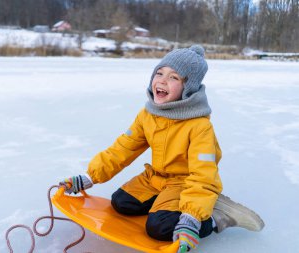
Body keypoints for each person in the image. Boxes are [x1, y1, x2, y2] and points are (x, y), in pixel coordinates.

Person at [60, 45, 264, 253]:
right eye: (159, 73)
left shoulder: (199, 126)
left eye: (174, 77)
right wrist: (89, 177)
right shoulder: (148, 114)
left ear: (188, 88)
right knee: (121, 203)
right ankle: (169, 207)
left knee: (159, 227)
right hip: (155, 179)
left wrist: (191, 217)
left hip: (184, 183)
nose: (163, 80)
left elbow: (204, 175)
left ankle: (214, 217)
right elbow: (123, 148)